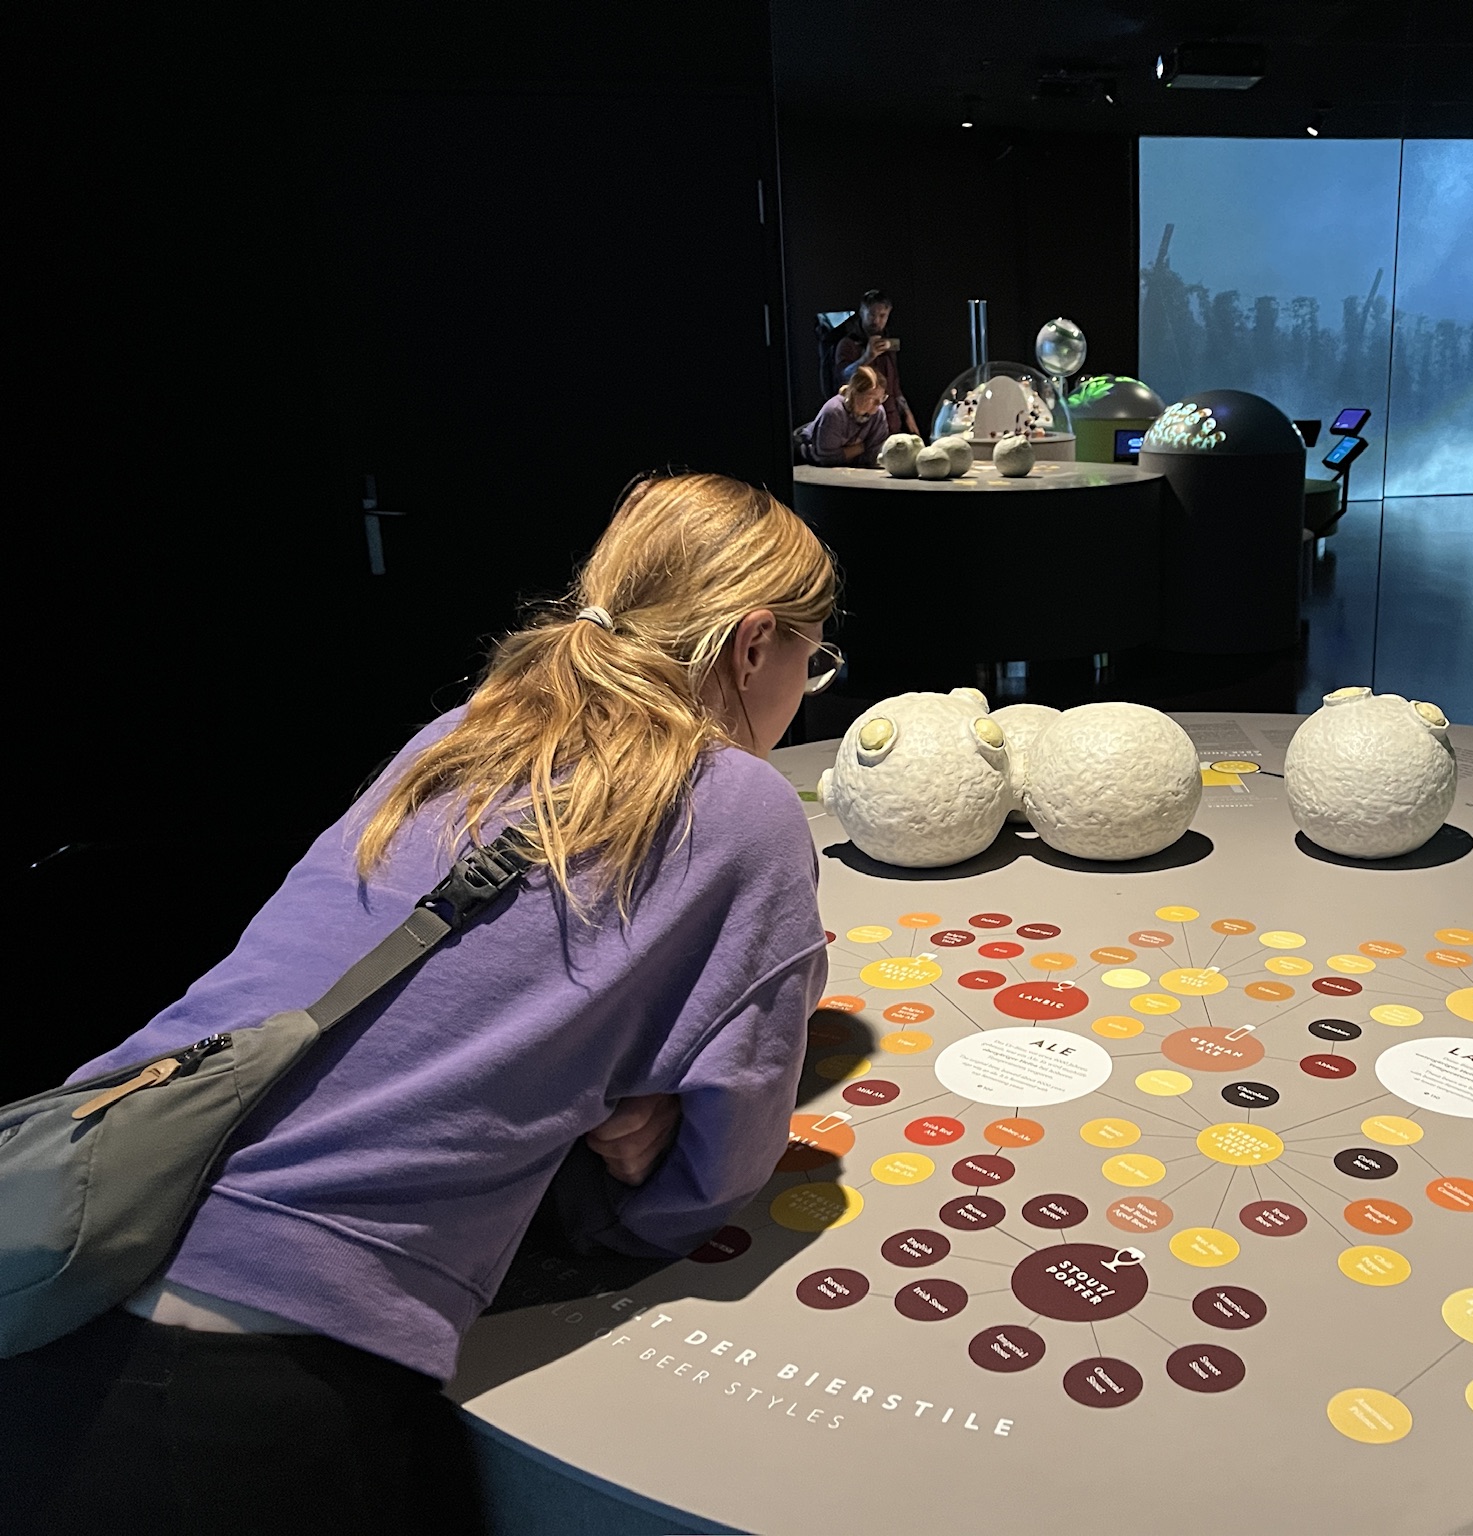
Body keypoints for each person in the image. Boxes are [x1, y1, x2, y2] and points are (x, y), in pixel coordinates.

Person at [3, 473, 844, 1534]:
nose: (806, 688)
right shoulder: (746, 805)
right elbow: (714, 1169)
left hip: (59, 1259)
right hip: (260, 1383)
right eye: (814, 659)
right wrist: (611, 1188)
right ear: (754, 643)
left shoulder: (462, 732)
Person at [833, 287, 917, 436]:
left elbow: (894, 385)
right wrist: (867, 357)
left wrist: (907, 415)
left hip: (891, 425)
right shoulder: (848, 344)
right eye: (871, 314)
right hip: (863, 428)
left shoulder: (887, 344)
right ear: (862, 312)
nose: (876, 320)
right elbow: (842, 377)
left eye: (882, 315)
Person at [800, 363, 889, 468]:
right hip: (805, 457)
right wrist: (862, 447)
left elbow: (874, 453)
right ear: (855, 393)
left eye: (882, 398)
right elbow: (827, 458)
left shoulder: (878, 413)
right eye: (872, 398)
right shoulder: (834, 412)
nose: (878, 404)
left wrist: (848, 452)